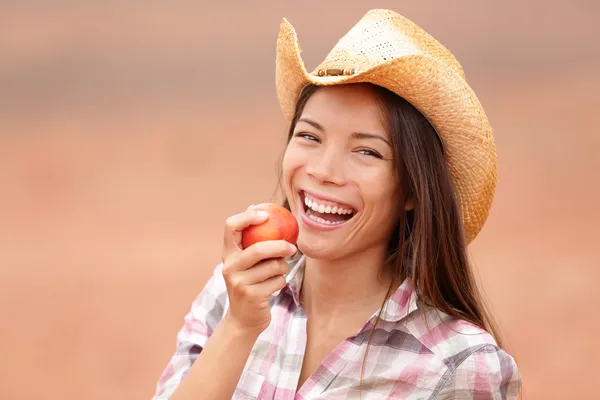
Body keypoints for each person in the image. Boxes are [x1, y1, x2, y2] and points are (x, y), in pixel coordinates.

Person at [151, 8, 521, 400]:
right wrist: (239, 326)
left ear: (413, 191)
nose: (324, 171)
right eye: (310, 137)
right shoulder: (233, 294)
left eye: (366, 151)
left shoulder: (457, 368)